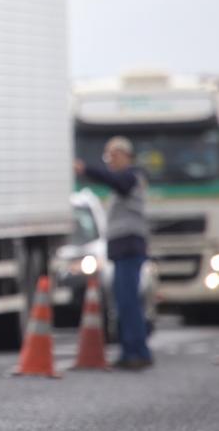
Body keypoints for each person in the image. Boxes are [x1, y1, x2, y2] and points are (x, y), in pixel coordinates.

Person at [75, 136, 153, 370]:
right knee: (122, 302)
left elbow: (113, 181)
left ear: (126, 155)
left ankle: (137, 351)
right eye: (107, 156)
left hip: (130, 248)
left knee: (128, 302)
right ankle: (130, 350)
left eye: (113, 155)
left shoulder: (131, 177)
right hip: (123, 249)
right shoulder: (127, 180)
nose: (110, 161)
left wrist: (87, 169)